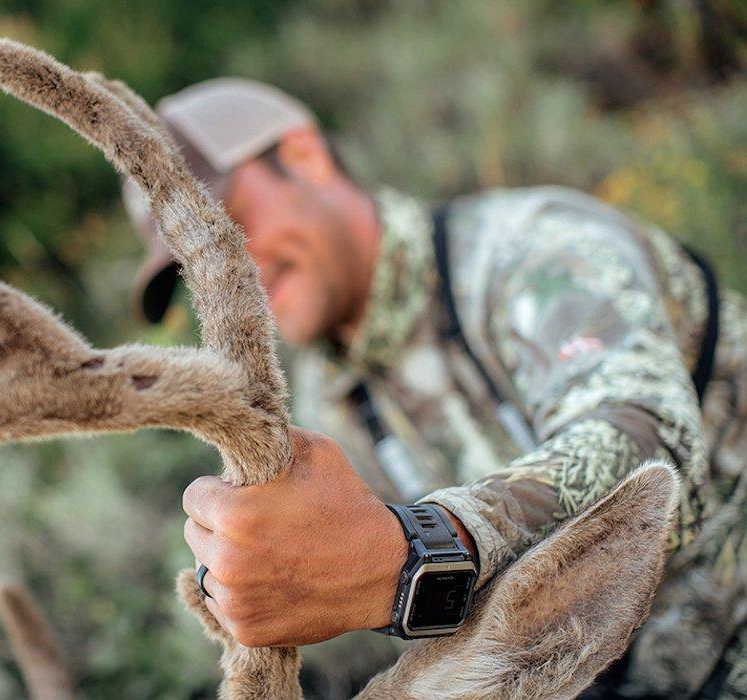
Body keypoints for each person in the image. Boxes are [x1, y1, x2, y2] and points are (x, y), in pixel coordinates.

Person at [122, 78, 747, 697]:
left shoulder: (531, 247)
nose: (222, 274)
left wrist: (413, 550)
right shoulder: (326, 404)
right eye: (191, 266)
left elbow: (651, 434)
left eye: (223, 227)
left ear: (304, 155)